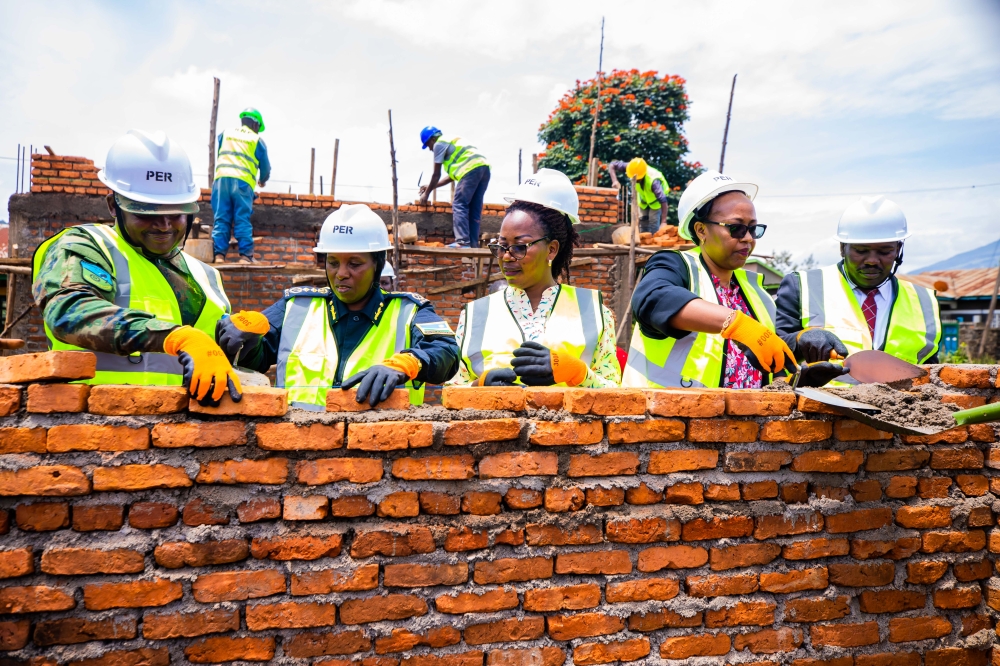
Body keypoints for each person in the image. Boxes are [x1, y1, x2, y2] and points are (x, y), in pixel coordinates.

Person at [32, 129, 268, 405]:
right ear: (113, 205)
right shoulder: (87, 247)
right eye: (147, 212)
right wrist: (174, 336)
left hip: (177, 438)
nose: (164, 225)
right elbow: (69, 311)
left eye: (176, 212)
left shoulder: (205, 276)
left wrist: (248, 343)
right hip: (91, 430)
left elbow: (217, 361)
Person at [235, 204, 460, 409]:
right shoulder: (295, 308)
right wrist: (242, 339)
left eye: (354, 264)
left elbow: (447, 352)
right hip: (294, 446)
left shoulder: (410, 311)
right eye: (333, 263)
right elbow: (254, 357)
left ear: (378, 265)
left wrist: (408, 362)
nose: (341, 274)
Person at [623, 170, 804, 389]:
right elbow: (652, 298)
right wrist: (737, 324)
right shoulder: (677, 266)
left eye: (753, 229)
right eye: (736, 228)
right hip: (666, 419)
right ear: (701, 230)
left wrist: (800, 358)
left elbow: (764, 360)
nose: (748, 238)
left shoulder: (754, 292)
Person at [451, 168, 621, 388]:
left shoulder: (594, 313)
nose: (506, 256)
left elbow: (617, 393)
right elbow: (452, 389)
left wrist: (578, 373)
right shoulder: (474, 315)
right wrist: (478, 387)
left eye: (520, 247)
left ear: (551, 249)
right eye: (501, 246)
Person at [775, 196, 940, 385]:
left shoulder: (925, 301)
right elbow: (774, 353)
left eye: (884, 251)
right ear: (842, 248)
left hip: (899, 412)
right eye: (861, 251)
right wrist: (799, 340)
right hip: (820, 410)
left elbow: (930, 374)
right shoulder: (802, 286)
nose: (872, 260)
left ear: (898, 249)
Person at [212, 108, 271, 264]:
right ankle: (245, 256)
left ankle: (219, 256)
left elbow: (220, 152)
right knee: (241, 219)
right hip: (242, 183)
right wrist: (263, 180)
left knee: (221, 218)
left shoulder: (226, 134)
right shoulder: (256, 140)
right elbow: (265, 167)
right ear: (255, 124)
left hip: (221, 180)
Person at [416, 126, 490, 248]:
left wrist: (426, 194)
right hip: (484, 169)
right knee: (474, 208)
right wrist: (430, 186)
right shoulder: (451, 140)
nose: (430, 149)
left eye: (428, 145)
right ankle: (472, 244)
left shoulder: (439, 144)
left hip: (471, 170)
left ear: (432, 139)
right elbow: (450, 177)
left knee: (459, 203)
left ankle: (462, 242)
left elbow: (436, 174)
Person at [609, 158, 670, 235]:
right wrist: (614, 180)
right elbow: (612, 165)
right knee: (643, 221)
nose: (634, 180)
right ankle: (644, 243)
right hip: (643, 200)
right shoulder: (632, 167)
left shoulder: (654, 181)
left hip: (656, 201)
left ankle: (654, 243)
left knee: (653, 222)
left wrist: (664, 222)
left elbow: (663, 200)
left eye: (636, 179)